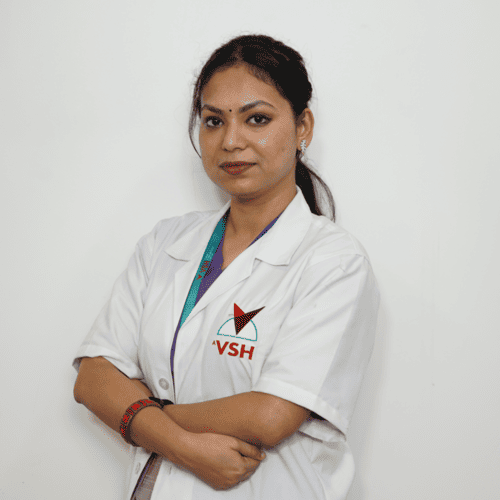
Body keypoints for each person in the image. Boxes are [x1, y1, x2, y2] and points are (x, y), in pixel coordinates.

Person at [73, 34, 380, 500]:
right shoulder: (165, 243)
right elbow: (93, 378)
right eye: (214, 121)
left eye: (257, 119)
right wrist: (179, 443)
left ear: (303, 127)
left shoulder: (333, 262)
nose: (231, 141)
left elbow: (270, 416)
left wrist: (135, 412)